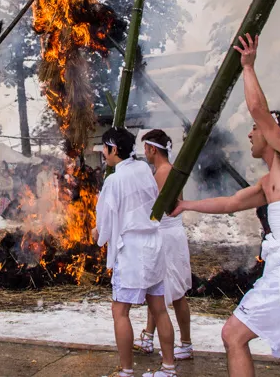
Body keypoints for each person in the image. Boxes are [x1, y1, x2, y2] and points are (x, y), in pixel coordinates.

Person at [174, 34, 280, 377]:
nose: (250, 134)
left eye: (256, 130)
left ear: (276, 135)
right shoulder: (268, 183)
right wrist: (186, 205)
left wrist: (248, 65)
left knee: (232, 335)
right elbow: (230, 202)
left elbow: (259, 110)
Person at [95, 126, 175, 377]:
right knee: (159, 308)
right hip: (153, 243)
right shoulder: (143, 169)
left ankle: (127, 370)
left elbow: (105, 219)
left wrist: (99, 234)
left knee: (120, 311)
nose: (104, 155)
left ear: (114, 149)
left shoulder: (114, 179)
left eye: (105, 150)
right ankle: (169, 368)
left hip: (131, 249)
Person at [134, 129, 193, 362]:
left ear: (152, 149)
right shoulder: (167, 171)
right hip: (170, 233)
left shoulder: (164, 172)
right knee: (155, 288)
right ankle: (148, 336)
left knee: (176, 293)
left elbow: (153, 209)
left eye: (145, 149)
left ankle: (186, 343)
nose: (144, 154)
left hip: (167, 235)